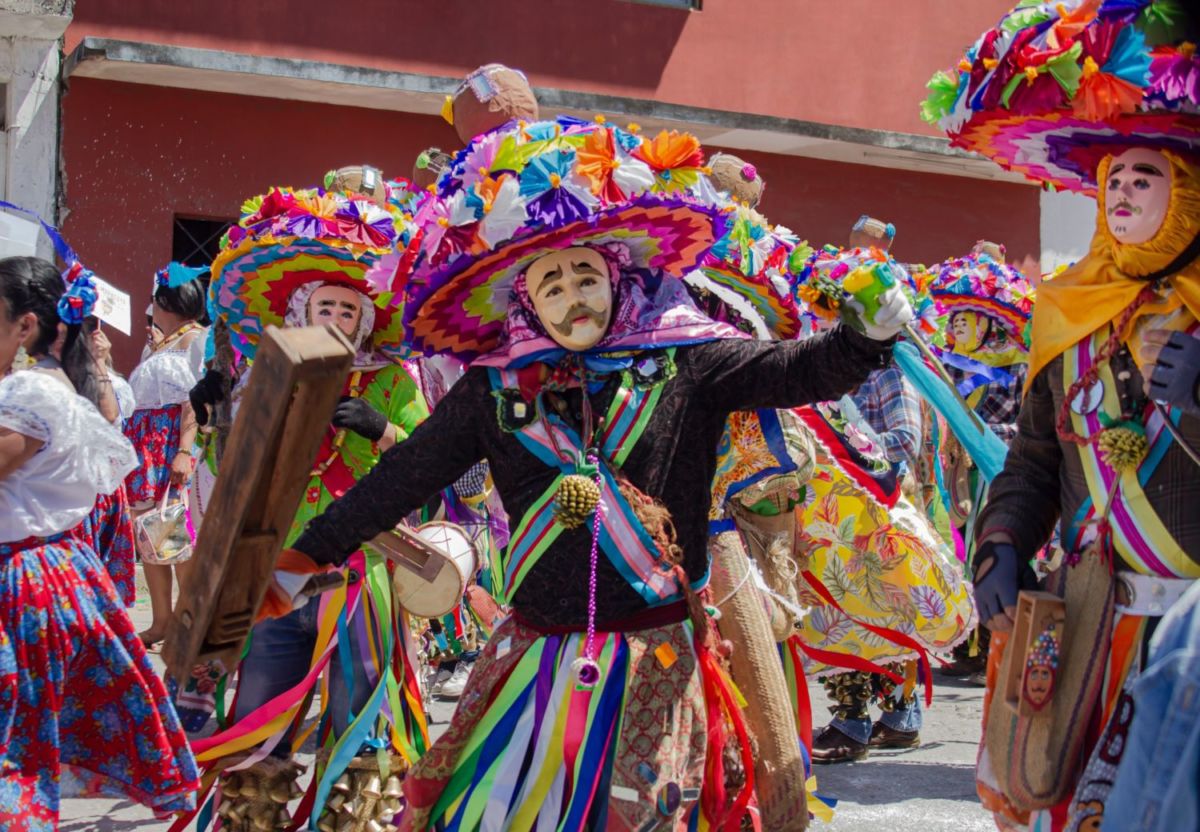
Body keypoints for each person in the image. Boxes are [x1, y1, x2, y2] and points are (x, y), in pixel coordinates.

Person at [274, 114, 912, 830]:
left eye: (587, 275)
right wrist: (306, 556)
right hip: (533, 659)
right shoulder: (494, 390)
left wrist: (865, 340)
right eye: (551, 283)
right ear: (525, 301)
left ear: (619, 279)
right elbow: (404, 478)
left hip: (655, 657)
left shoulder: (687, 364)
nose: (573, 294)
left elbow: (795, 371)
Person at [922, 4, 1199, 829]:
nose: (1122, 191)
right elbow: (1036, 456)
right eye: (1113, 179)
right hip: (1089, 624)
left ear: (1189, 197)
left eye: (1145, 178)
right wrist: (1001, 542)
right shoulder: (1070, 308)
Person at [184, 180, 433, 831]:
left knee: (362, 730)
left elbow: (430, 466)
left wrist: (381, 429)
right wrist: (215, 420)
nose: (336, 321)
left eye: (348, 311)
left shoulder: (390, 382)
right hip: (275, 576)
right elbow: (227, 475)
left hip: (358, 579)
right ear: (302, 312)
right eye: (325, 307)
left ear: (366, 319)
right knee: (257, 724)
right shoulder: (266, 376)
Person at [0, 255, 198, 830]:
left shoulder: (29, 396)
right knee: (25, 737)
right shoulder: (58, 388)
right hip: (56, 570)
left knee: (18, 747)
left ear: (25, 327)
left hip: (24, 579)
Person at [928, 245, 1035, 683]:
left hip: (998, 472)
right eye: (954, 320)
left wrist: (987, 441)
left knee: (986, 549)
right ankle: (966, 644)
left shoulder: (1016, 368)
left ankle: (992, 642)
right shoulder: (950, 366)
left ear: (989, 322)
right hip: (959, 474)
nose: (957, 327)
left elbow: (1028, 426)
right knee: (955, 552)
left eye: (965, 320)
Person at [125, 262, 208, 647]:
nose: (150, 309)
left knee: (176, 538)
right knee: (152, 538)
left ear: (167, 302)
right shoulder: (157, 342)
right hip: (146, 447)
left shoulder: (196, 341)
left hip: (170, 445)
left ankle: (191, 623)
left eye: (155, 302)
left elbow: (193, 400)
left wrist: (184, 451)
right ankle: (162, 622)